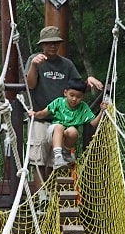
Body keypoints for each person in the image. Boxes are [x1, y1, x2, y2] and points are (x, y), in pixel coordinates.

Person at [25, 26, 103, 190]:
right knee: (39, 161)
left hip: (62, 122)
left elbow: (77, 88)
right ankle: (41, 198)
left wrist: (88, 80)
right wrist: (33, 65)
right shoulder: (36, 59)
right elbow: (30, 85)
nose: (52, 46)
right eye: (48, 43)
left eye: (55, 43)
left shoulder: (66, 64)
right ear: (42, 45)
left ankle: (54, 200)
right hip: (42, 118)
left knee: (57, 162)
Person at [27, 78, 106, 168]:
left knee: (73, 131)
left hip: (67, 139)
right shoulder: (59, 102)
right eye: (71, 95)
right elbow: (43, 114)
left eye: (78, 97)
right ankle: (58, 157)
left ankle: (66, 153)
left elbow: (92, 124)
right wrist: (35, 114)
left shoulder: (83, 107)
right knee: (59, 127)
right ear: (65, 93)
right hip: (53, 133)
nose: (74, 99)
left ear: (83, 97)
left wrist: (102, 112)